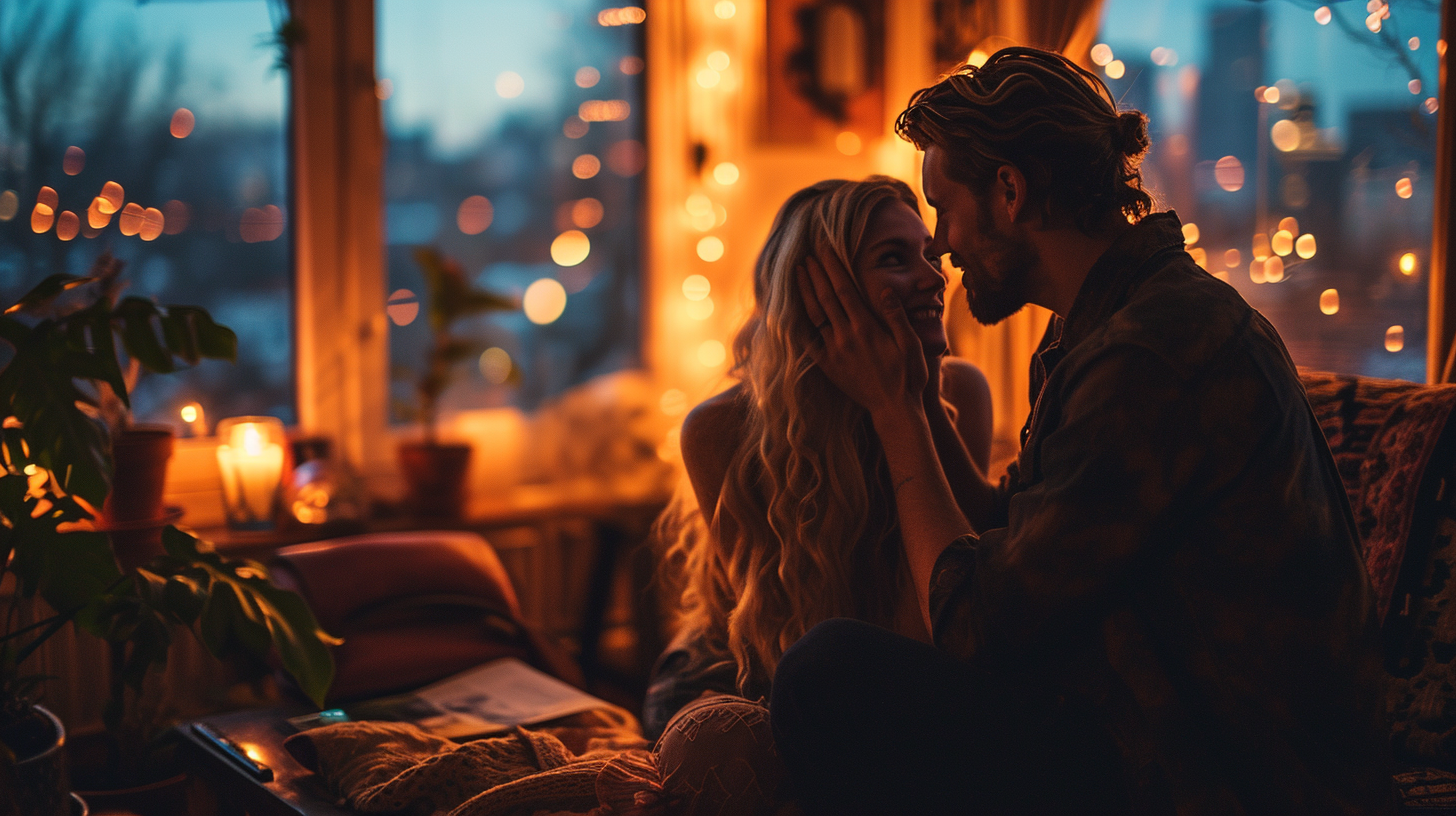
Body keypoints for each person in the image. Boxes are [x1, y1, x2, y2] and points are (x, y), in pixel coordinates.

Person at [771, 47, 1394, 815]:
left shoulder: (1151, 351)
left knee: (824, 672)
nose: (938, 245)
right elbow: (1016, 531)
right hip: (1139, 719)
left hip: (1221, 768)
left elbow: (976, 627)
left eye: (942, 205)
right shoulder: (1100, 322)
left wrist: (893, 416)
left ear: (1009, 192)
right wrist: (914, 387)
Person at [644, 176, 994, 739]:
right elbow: (782, 655)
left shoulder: (962, 393)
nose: (936, 277)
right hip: (737, 666)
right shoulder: (718, 430)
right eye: (895, 259)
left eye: (930, 255)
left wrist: (917, 398)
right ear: (823, 296)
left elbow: (955, 613)